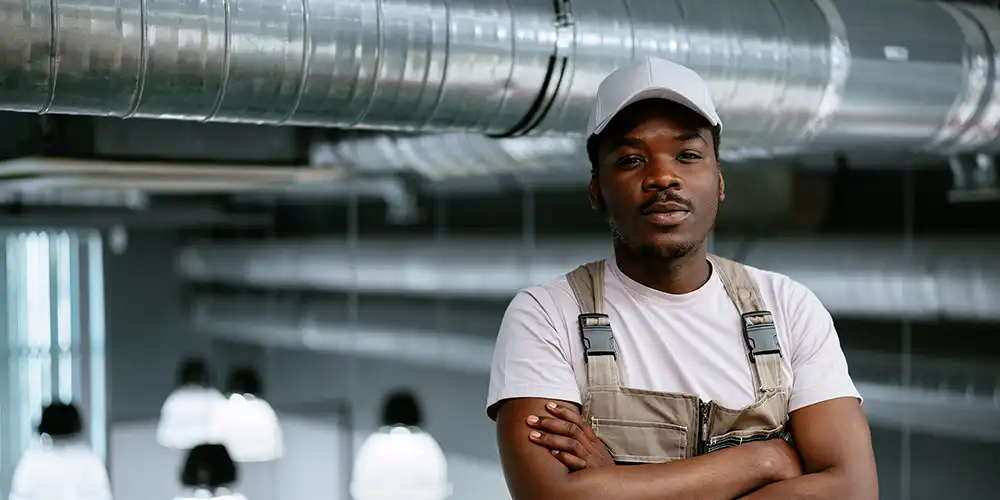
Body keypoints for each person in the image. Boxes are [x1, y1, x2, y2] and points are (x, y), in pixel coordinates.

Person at [485, 56, 878, 500]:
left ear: (719, 180)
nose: (663, 177)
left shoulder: (787, 307)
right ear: (596, 191)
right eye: (632, 159)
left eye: (688, 155)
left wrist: (616, 483)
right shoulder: (548, 315)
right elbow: (554, 497)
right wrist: (764, 460)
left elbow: (852, 490)